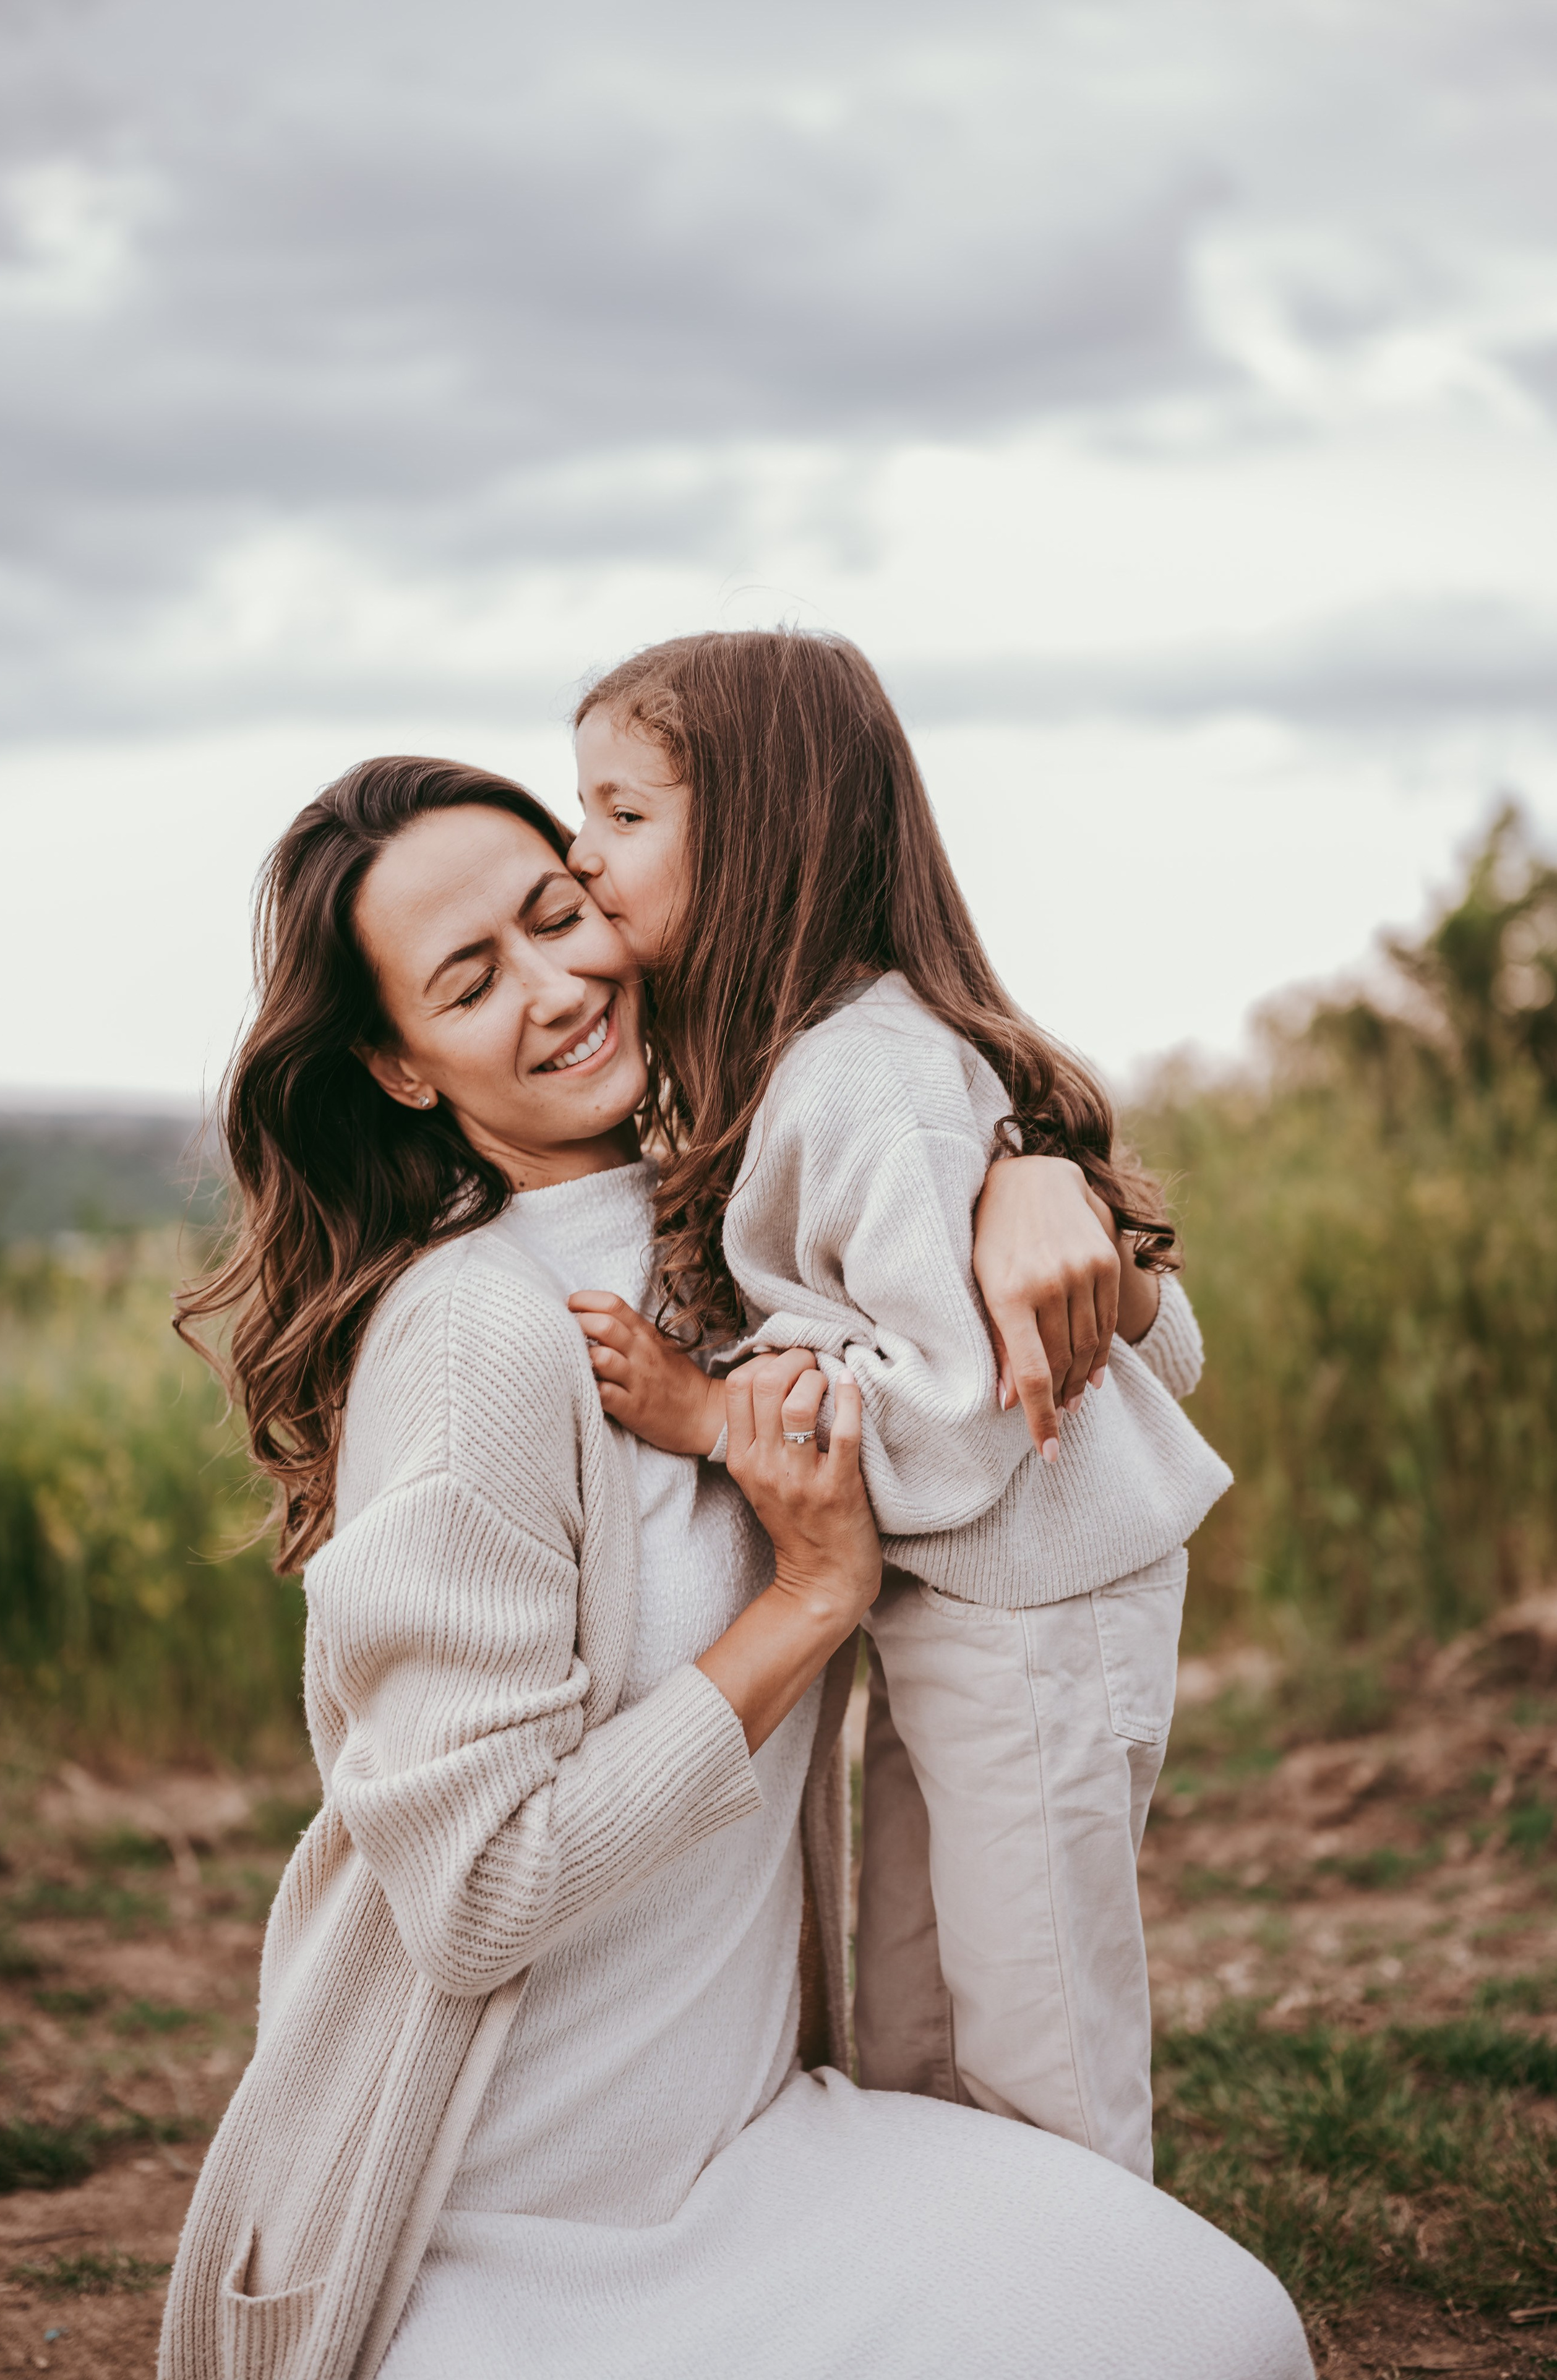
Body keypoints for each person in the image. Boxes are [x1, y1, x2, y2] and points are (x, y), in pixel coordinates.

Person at [162, 754, 1312, 2380]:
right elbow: (474, 1895)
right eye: (470, 983)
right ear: (400, 1067)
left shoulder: (728, 1229)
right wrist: (805, 1605)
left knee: (1227, 2334)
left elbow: (1155, 1354)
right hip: (499, 2218)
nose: (555, 987)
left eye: (556, 914)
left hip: (756, 2146)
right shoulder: (475, 1339)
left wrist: (1028, 1184)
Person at [565, 628, 1230, 2179]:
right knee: (916, 2015)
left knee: (1035, 2031)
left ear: (759, 835)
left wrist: (709, 1413)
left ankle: (1100, 2290)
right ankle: (956, 2269)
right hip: (969, 1599)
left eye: (623, 813)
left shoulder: (868, 1075)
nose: (579, 852)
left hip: (1038, 1606)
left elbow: (956, 1409)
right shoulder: (792, 1061)